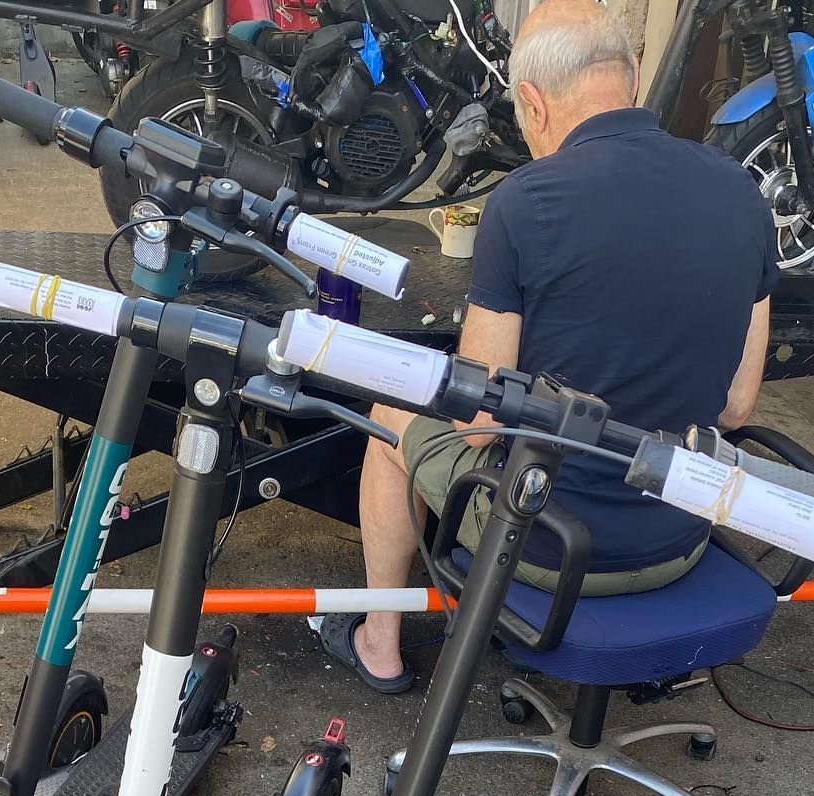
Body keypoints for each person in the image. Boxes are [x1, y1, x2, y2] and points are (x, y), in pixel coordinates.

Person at [316, 0, 778, 692]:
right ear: (630, 73)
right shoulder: (743, 195)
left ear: (532, 104)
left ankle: (380, 642)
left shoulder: (525, 202)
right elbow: (738, 405)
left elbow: (478, 430)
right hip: (678, 540)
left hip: (547, 547)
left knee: (389, 420)